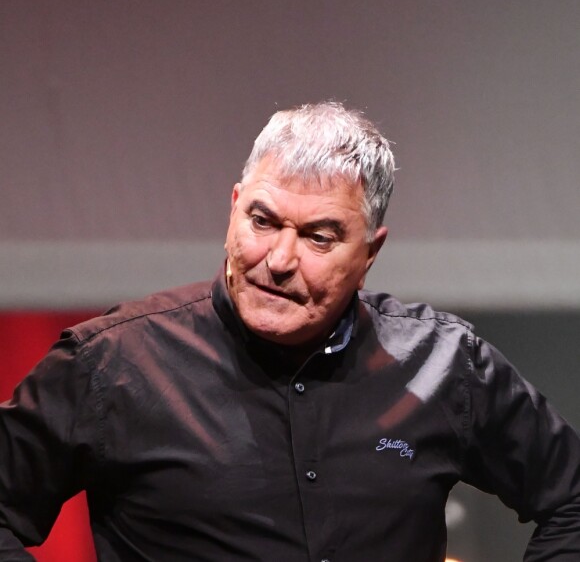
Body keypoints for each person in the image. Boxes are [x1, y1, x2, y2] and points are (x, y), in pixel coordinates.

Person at [1, 102, 579, 561]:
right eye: (262, 221)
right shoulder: (113, 364)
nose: (278, 258)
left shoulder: (444, 363)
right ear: (233, 209)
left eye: (318, 237)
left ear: (371, 253)